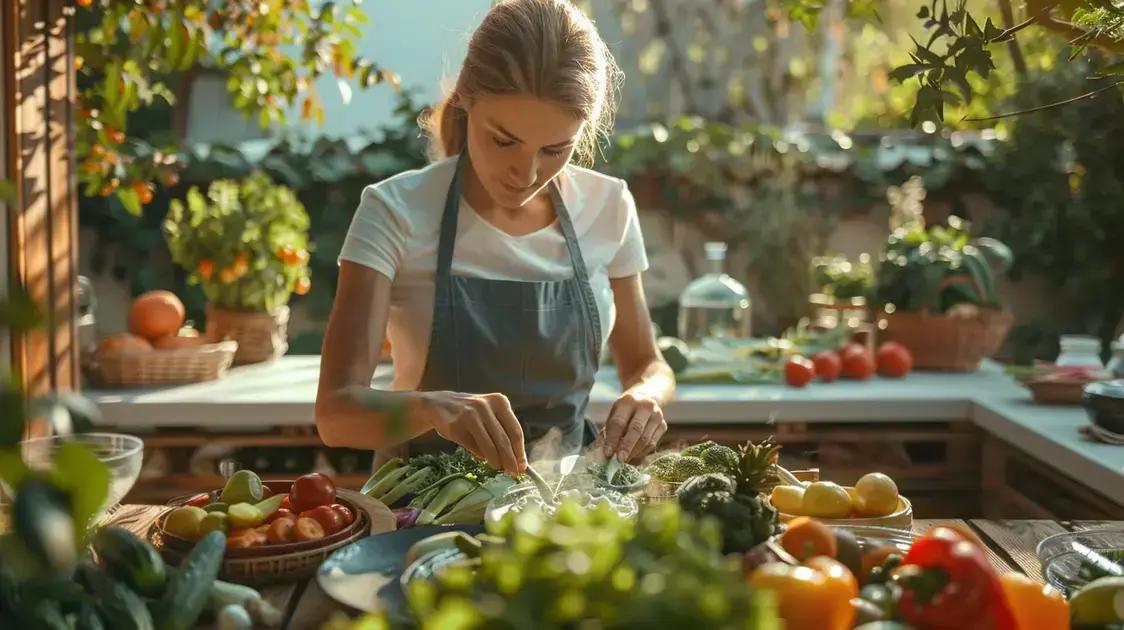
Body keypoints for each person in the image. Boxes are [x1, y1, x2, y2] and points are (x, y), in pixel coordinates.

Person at [315, 0, 675, 476]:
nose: (526, 174)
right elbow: (337, 415)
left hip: (567, 507)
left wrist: (645, 397)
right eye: (504, 140)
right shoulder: (393, 211)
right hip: (421, 511)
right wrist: (433, 410)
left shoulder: (609, 208)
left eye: (554, 150)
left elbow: (648, 365)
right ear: (465, 94)